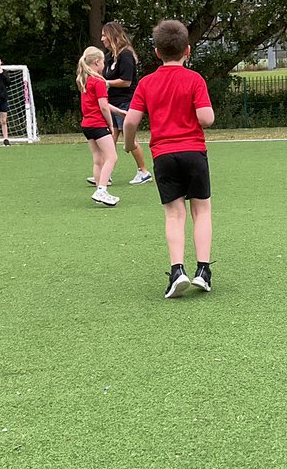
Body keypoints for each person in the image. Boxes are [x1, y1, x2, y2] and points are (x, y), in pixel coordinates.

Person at [122, 19, 215, 297]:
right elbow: (206, 118)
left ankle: (177, 271)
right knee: (201, 210)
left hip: (163, 155)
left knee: (174, 214)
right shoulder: (195, 79)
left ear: (156, 52)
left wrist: (128, 145)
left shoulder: (147, 83)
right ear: (187, 50)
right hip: (194, 152)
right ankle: (202, 271)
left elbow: (130, 122)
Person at [99, 22, 152, 186]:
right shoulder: (110, 57)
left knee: (129, 138)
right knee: (111, 137)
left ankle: (143, 171)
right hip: (113, 102)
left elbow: (127, 82)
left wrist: (107, 83)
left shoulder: (126, 55)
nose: (101, 39)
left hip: (126, 102)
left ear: (112, 36)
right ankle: (104, 174)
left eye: (104, 35)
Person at [76, 46, 127, 207]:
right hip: (98, 124)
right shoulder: (98, 81)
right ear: (97, 62)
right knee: (112, 157)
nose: (104, 65)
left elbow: (100, 104)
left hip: (87, 125)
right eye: (103, 62)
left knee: (98, 159)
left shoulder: (85, 80)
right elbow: (103, 106)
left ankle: (100, 189)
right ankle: (102, 189)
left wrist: (119, 111)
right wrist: (111, 125)